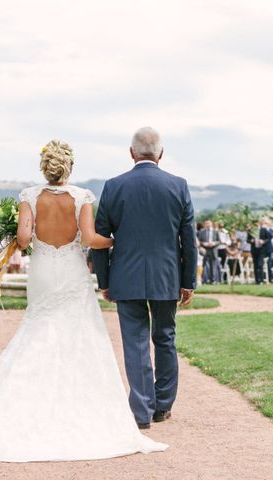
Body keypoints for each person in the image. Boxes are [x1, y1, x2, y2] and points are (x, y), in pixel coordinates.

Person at [0, 137, 168, 462]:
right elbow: (91, 239)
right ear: (69, 167)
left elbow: (23, 240)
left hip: (42, 272)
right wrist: (118, 239)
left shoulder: (29, 196)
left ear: (44, 167)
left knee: (37, 328)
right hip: (71, 271)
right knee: (79, 334)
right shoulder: (82, 197)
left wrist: (18, 230)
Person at [94, 127, 197, 431]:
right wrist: (188, 279)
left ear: (131, 153)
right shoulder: (178, 186)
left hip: (125, 277)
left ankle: (141, 410)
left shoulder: (114, 186)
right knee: (165, 338)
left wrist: (105, 280)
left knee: (135, 342)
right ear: (160, 154)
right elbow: (188, 239)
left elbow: (101, 236)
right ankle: (163, 406)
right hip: (167, 276)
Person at [197, 220, 220, 284]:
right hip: (204, 250)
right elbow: (199, 241)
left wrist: (214, 243)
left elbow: (219, 241)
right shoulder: (201, 232)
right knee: (202, 265)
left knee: (212, 266)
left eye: (208, 223)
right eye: (206, 223)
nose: (207, 224)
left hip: (213, 250)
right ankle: (202, 280)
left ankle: (212, 280)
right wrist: (204, 244)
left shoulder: (215, 231)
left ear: (211, 224)